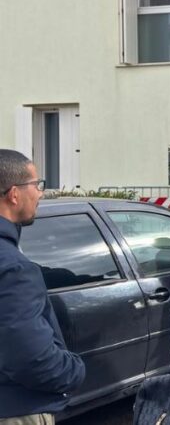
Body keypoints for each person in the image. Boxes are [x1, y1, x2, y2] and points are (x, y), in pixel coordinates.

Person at [0, 150, 85, 425]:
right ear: (14, 194)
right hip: (16, 410)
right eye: (37, 185)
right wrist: (74, 371)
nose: (40, 194)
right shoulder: (15, 269)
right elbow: (30, 358)